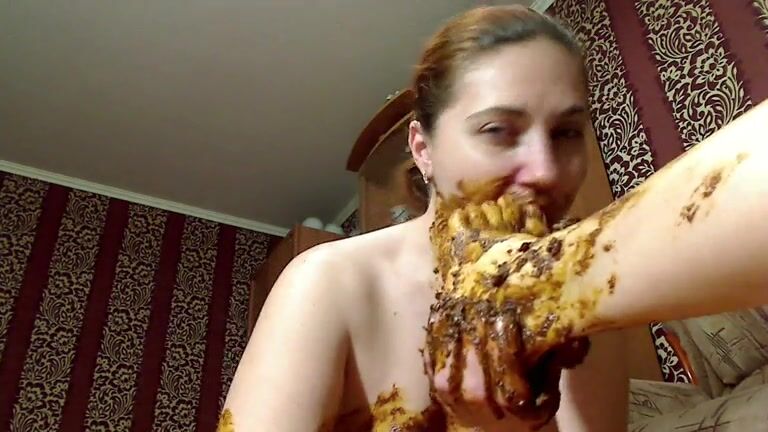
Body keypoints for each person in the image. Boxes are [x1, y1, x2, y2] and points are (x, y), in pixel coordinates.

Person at [224, 5, 768, 431]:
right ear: (423, 149)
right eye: (498, 131)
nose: (545, 170)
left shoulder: (581, 310)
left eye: (566, 133)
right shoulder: (326, 282)